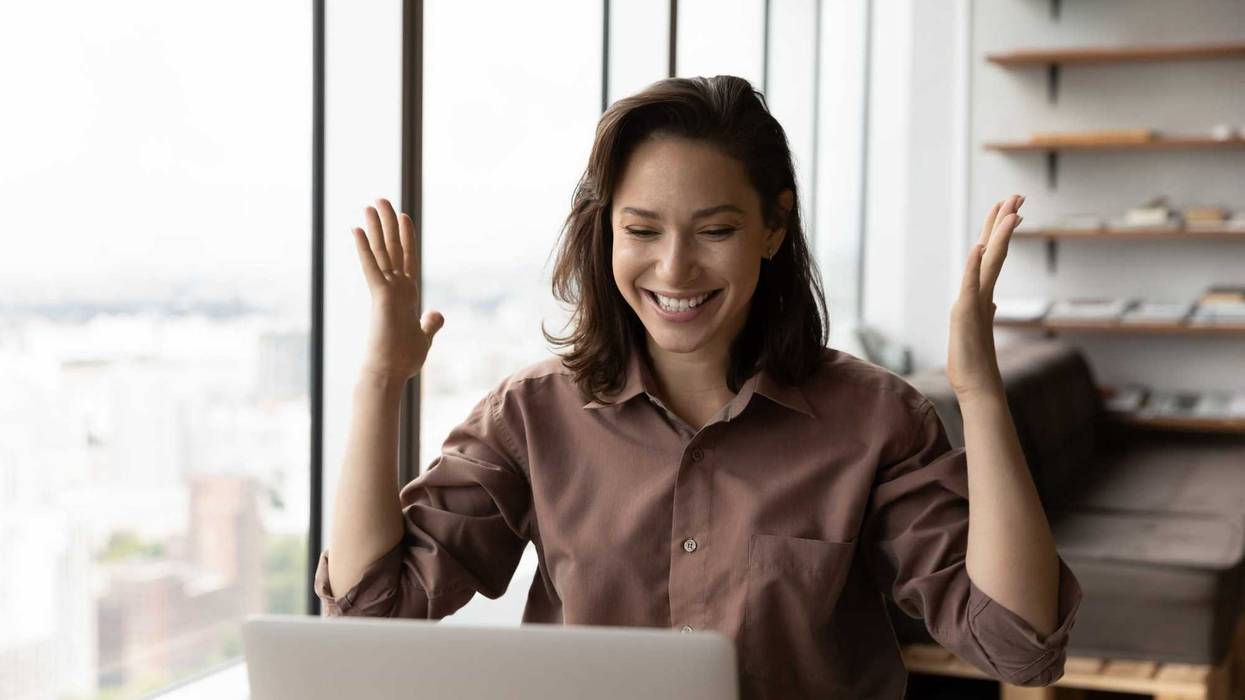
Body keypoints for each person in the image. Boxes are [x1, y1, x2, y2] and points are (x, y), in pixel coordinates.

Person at [314, 75, 1082, 699]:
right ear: (604, 230)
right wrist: (379, 381)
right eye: (641, 231)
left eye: (714, 231)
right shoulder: (530, 415)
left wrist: (979, 392)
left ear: (773, 227)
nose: (674, 268)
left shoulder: (876, 419)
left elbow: (1016, 646)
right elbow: (372, 611)